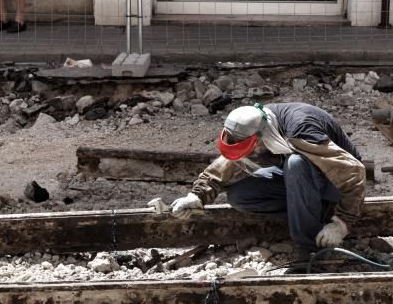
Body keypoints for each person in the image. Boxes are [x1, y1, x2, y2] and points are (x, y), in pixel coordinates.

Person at [154, 103, 366, 253]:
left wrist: (341, 223)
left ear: (260, 137)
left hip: (334, 184)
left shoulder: (301, 129)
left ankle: (309, 246)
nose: (253, 153)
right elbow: (230, 162)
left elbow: (354, 172)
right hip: (303, 182)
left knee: (296, 163)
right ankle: (308, 214)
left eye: (254, 148)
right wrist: (198, 195)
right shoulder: (254, 124)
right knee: (240, 194)